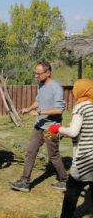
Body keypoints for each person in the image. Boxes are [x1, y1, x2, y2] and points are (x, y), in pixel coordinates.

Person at [10, 61, 68, 192]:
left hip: (51, 128)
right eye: (35, 73)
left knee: (53, 155)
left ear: (48, 72)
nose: (36, 76)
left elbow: (59, 110)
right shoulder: (41, 84)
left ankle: (64, 180)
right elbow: (39, 100)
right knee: (31, 151)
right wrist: (29, 108)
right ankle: (25, 181)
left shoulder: (56, 87)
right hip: (39, 125)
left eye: (39, 73)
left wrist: (40, 112)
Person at [47, 79, 93, 218]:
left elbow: (73, 131)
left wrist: (57, 128)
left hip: (84, 158)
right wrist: (68, 134)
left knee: (72, 192)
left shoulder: (80, 107)